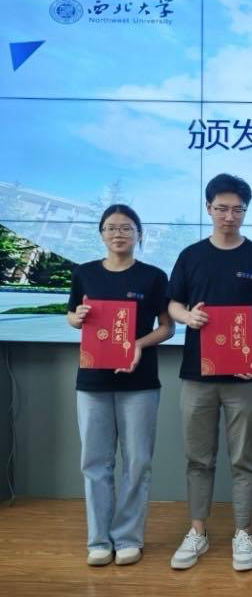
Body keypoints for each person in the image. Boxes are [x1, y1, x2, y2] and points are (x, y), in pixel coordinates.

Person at [167, 174, 252, 572]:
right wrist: (188, 316)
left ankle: (242, 533)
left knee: (244, 460)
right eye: (222, 208)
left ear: (245, 212)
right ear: (208, 208)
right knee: (198, 459)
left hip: (244, 377)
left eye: (237, 209)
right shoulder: (191, 256)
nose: (229, 216)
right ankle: (197, 532)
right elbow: (172, 304)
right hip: (196, 376)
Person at [66, 204, 173, 567]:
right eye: (111, 228)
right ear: (101, 234)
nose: (118, 234)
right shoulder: (84, 273)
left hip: (139, 383)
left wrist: (138, 345)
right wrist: (77, 317)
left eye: (127, 228)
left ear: (139, 234)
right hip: (92, 381)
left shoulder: (153, 277)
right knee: (95, 462)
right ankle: (98, 540)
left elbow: (167, 327)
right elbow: (71, 316)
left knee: (137, 462)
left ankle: (128, 537)